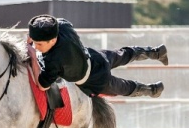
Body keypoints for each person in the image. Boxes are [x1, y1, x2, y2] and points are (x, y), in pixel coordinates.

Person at [27, 14, 168, 98]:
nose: (36, 47)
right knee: (125, 54)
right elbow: (59, 22)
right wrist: (37, 35)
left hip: (94, 80)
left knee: (124, 87)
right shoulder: (63, 27)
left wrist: (33, 56)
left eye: (38, 44)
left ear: (52, 40)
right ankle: (156, 52)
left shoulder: (53, 61)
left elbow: (42, 86)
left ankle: (153, 90)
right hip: (97, 57)